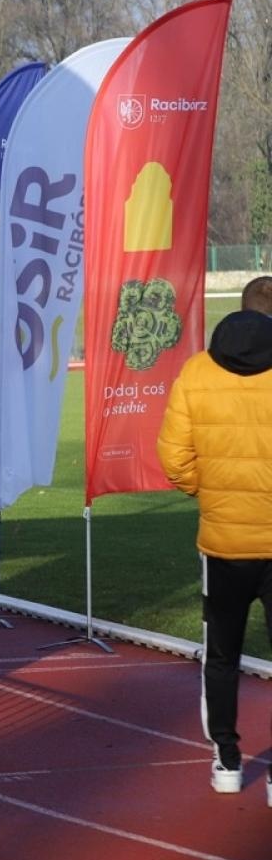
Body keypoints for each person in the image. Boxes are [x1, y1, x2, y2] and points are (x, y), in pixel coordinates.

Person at [159, 275, 272, 801]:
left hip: (223, 543)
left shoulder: (196, 373)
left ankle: (227, 758)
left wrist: (208, 490)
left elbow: (173, 456)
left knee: (222, 656)